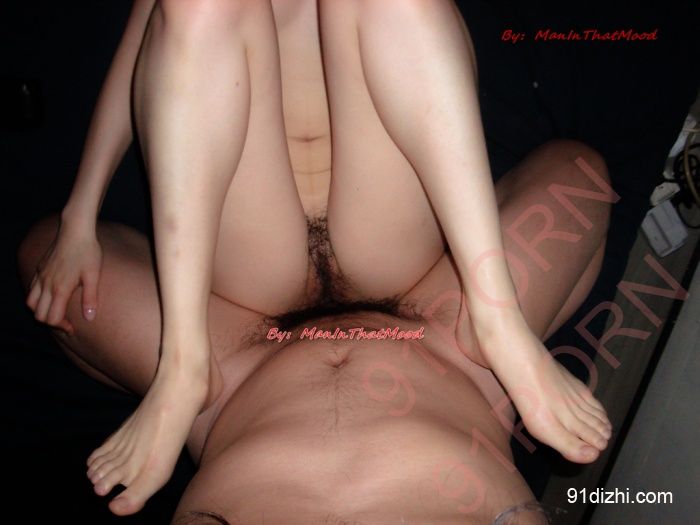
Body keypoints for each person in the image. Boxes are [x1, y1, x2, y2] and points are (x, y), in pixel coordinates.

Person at [17, 0, 612, 521]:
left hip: (389, 244)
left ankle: (495, 320)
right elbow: (147, 47)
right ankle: (184, 363)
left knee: (580, 173)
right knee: (194, 8)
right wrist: (79, 215)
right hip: (250, 280)